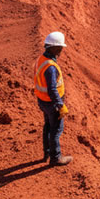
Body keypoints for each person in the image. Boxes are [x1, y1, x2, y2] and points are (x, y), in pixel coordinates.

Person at [34, 31, 72, 166]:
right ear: (54, 48)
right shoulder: (50, 67)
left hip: (43, 101)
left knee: (48, 126)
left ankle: (47, 153)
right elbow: (52, 89)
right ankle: (55, 158)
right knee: (55, 130)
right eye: (60, 47)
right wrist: (60, 105)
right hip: (51, 104)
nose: (62, 50)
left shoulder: (41, 59)